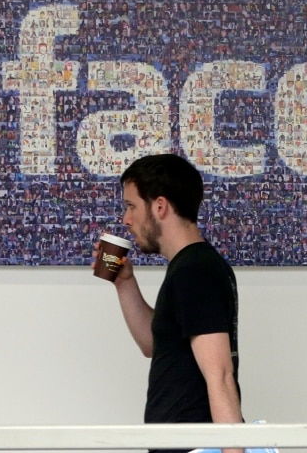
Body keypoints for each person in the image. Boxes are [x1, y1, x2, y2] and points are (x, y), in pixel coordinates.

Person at [93, 153, 244, 453]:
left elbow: (221, 374)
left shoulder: (195, 271)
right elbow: (154, 345)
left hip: (195, 448)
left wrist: (234, 452)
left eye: (131, 206)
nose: (126, 219)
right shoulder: (188, 267)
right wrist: (124, 283)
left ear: (159, 206)